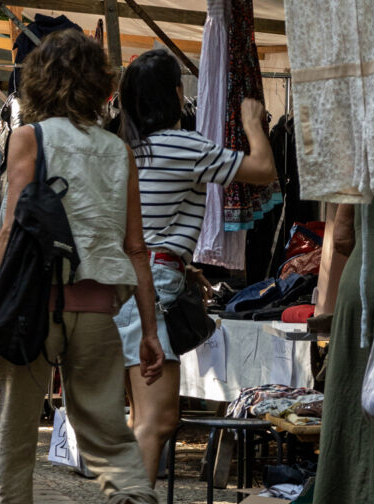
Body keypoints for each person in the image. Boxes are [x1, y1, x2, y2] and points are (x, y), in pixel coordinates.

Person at [0, 30, 163, 504]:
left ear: (39, 82)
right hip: (99, 309)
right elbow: (136, 249)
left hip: (31, 308)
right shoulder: (118, 150)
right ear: (100, 86)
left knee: (13, 437)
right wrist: (150, 330)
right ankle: (135, 497)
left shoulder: (28, 138)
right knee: (108, 437)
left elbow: (9, 230)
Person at [114, 50, 277, 480]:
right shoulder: (183, 145)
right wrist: (252, 124)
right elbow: (263, 169)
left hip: (131, 281)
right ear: (175, 94)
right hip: (154, 287)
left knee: (142, 417)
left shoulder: (129, 147)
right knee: (158, 420)